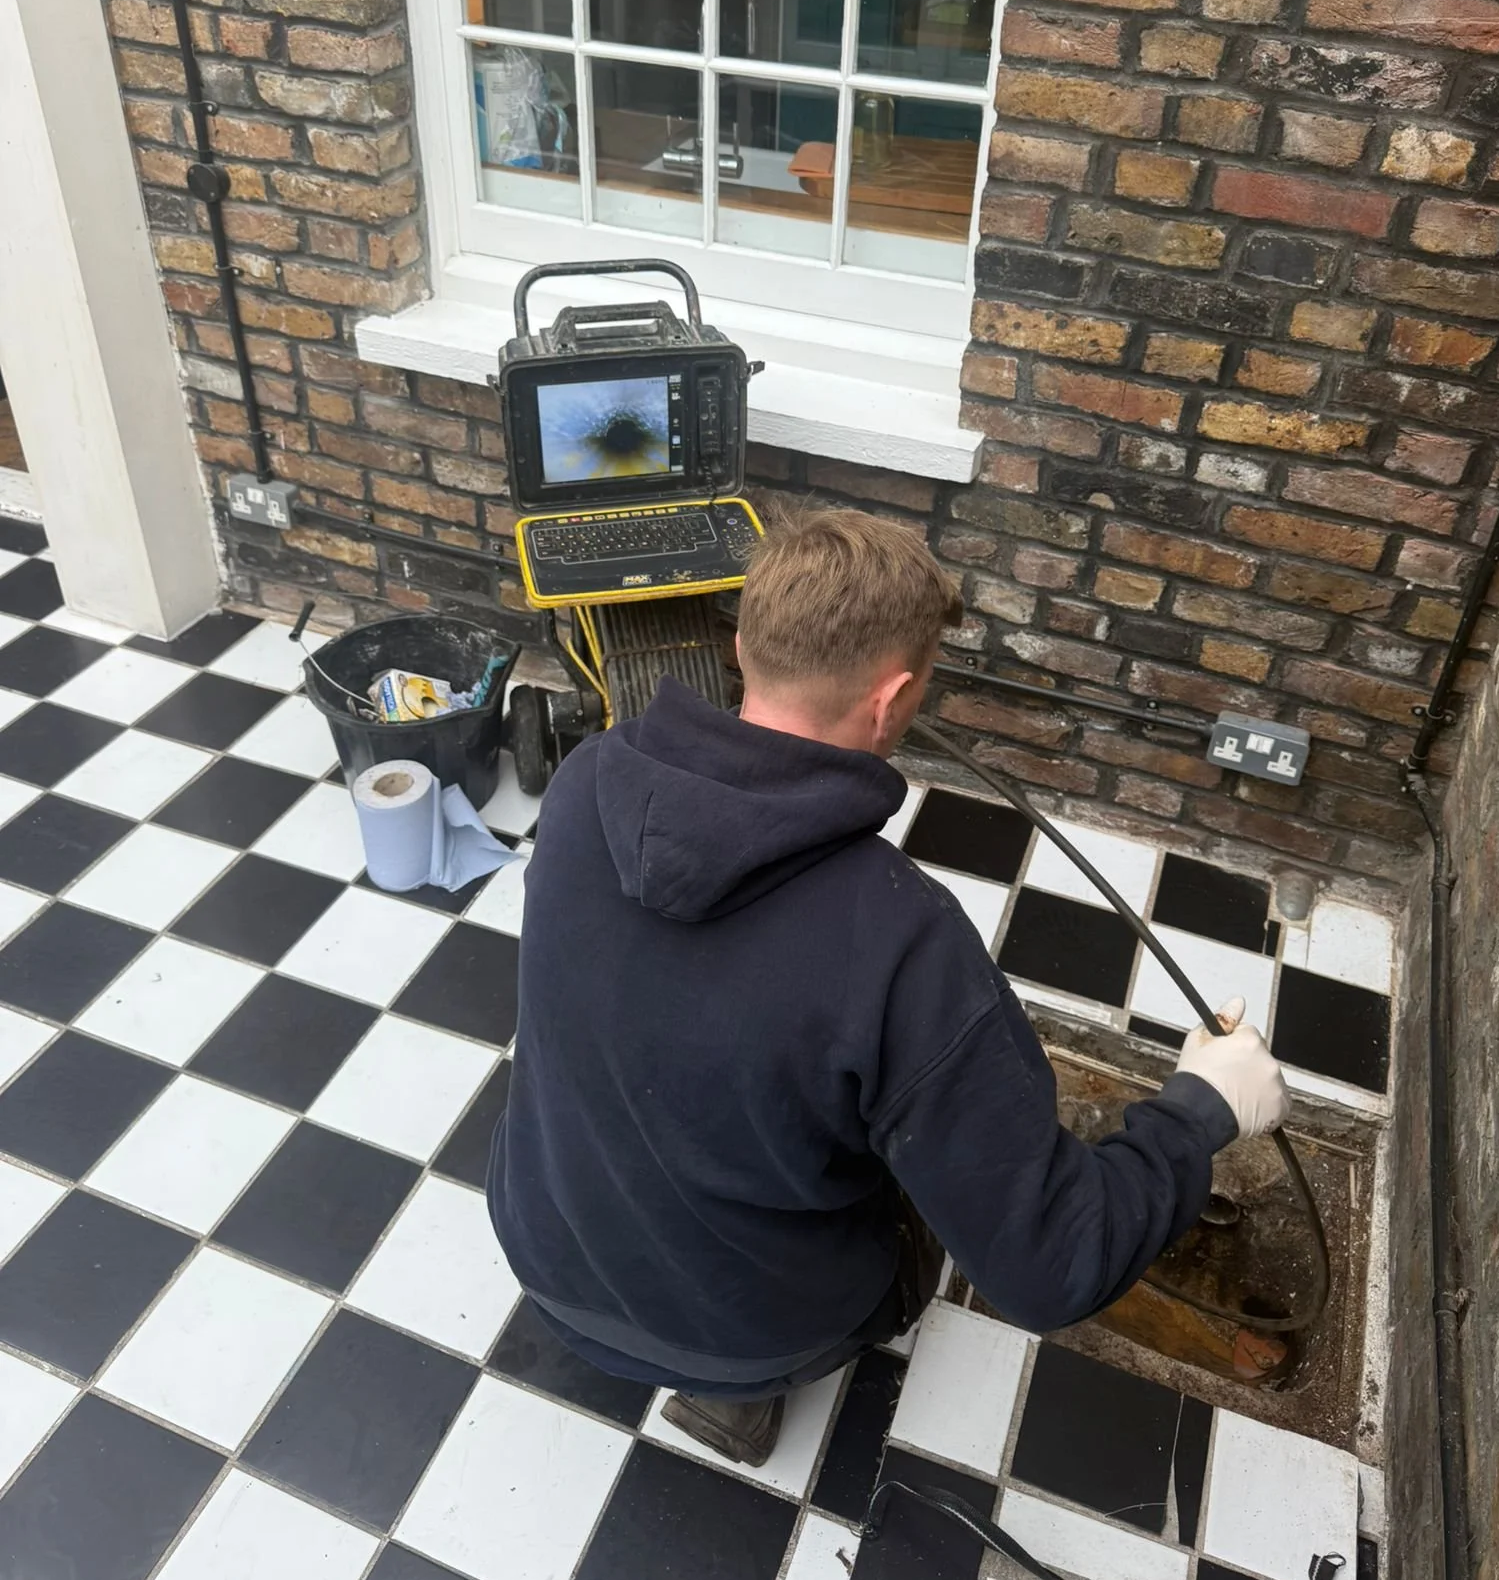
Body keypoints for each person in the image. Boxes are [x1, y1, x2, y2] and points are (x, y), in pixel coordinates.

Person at [487, 509, 1290, 1466]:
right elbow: (1051, 1269)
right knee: (928, 1175)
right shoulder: (903, 939)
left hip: (547, 1254)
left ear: (744, 645)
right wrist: (1200, 1111)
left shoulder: (584, 787)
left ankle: (719, 1376)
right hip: (756, 1326)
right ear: (895, 698)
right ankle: (744, 1375)